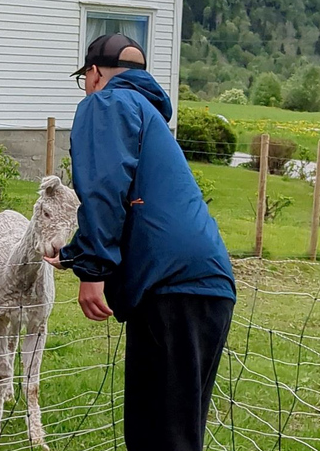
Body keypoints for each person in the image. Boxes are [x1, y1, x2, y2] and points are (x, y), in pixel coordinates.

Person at [44, 33, 236, 451]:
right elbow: (138, 201)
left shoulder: (107, 104)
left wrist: (91, 269)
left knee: (160, 440)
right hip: (203, 286)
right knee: (175, 436)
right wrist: (75, 254)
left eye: (85, 79)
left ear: (94, 74)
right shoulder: (147, 113)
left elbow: (105, 185)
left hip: (170, 287)